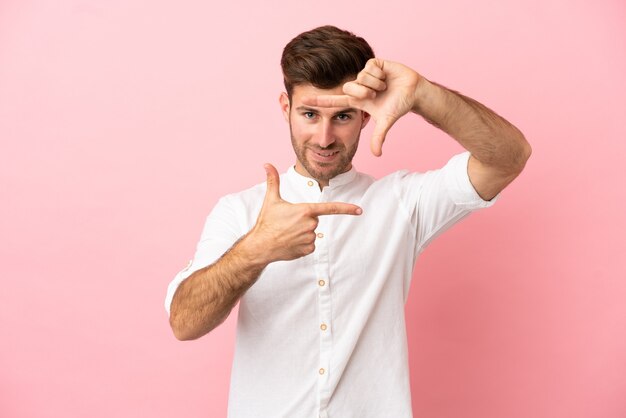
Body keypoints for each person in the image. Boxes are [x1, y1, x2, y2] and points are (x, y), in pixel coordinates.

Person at [165, 25, 531, 418]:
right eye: (309, 114)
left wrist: (424, 95)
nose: (324, 138)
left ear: (365, 117)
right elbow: (184, 323)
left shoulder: (402, 203)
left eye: (342, 116)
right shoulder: (239, 211)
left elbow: (508, 157)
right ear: (286, 108)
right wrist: (256, 249)